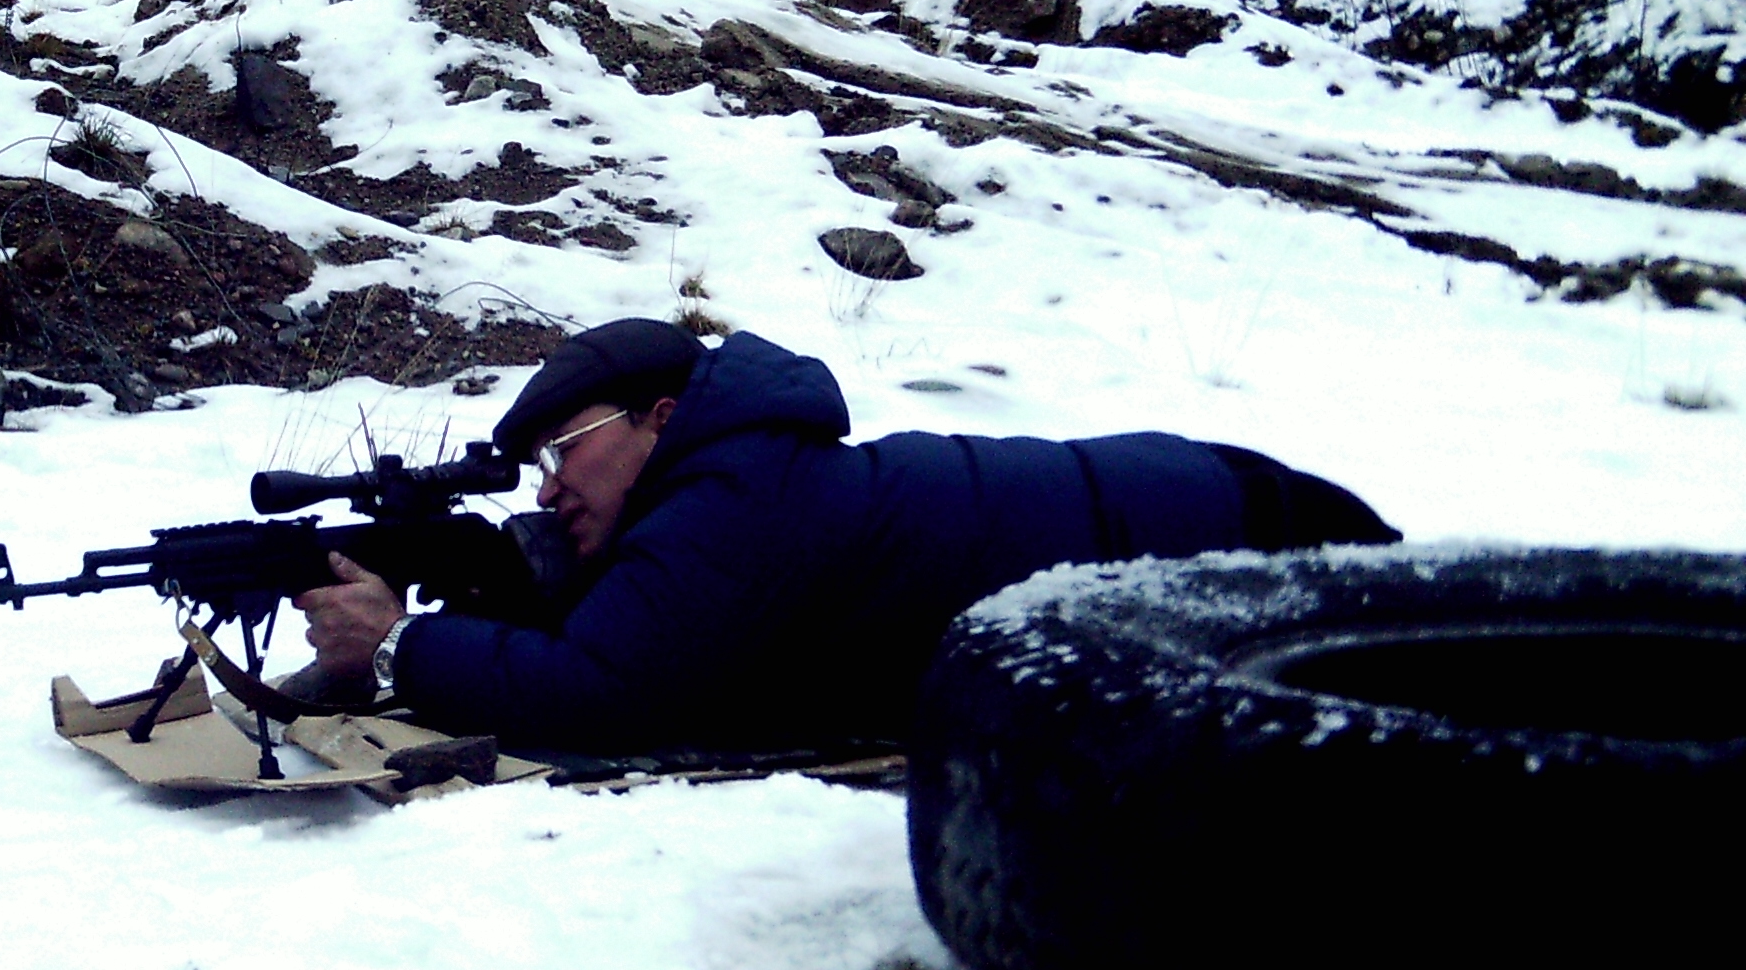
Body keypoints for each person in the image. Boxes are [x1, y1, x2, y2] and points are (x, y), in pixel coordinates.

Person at [293, 319, 1397, 752]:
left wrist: (398, 646)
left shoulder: (732, 499)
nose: (547, 489)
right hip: (1212, 506)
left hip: (1252, 533)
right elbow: (656, 641)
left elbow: (610, 695)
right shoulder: (740, 479)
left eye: (564, 450)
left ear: (660, 420)